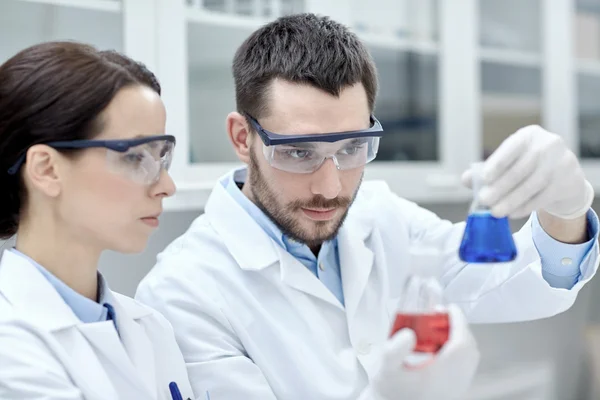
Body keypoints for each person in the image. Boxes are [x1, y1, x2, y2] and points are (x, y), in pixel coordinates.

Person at [135, 13, 599, 400]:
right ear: (243, 138)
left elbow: (511, 282)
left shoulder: (383, 216)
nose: (330, 186)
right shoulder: (183, 295)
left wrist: (567, 210)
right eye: (299, 152)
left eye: (353, 147)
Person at [0, 42, 194, 400]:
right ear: (46, 169)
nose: (166, 186)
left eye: (161, 157)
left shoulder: (151, 328)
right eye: (136, 158)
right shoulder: (9, 348)